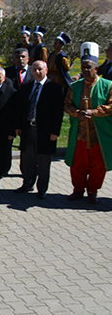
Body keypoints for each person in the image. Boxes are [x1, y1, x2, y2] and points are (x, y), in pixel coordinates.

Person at [64, 43, 112, 204]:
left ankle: (93, 190)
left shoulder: (108, 86)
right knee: (78, 165)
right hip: (80, 134)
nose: (85, 70)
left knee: (98, 165)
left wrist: (95, 112)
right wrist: (77, 113)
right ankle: (78, 189)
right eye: (83, 67)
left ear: (96, 69)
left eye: (88, 67)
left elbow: (111, 105)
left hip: (98, 133)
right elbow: (67, 105)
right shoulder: (75, 86)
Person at [14, 60, 64, 198]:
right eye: (35, 69)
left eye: (40, 69)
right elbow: (21, 108)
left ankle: (42, 188)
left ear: (46, 70)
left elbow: (58, 113)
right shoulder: (26, 87)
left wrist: (55, 131)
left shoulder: (54, 88)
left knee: (43, 161)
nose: (37, 72)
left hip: (45, 131)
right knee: (27, 160)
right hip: (28, 128)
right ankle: (27, 184)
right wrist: (18, 126)